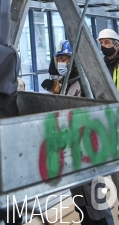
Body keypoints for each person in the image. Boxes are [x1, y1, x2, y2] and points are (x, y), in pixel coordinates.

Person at [43, 41, 114, 225]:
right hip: (71, 150)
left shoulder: (85, 83)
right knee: (79, 199)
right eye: (59, 59)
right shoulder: (65, 84)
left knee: (95, 201)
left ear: (75, 61)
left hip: (87, 150)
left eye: (65, 59)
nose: (62, 62)